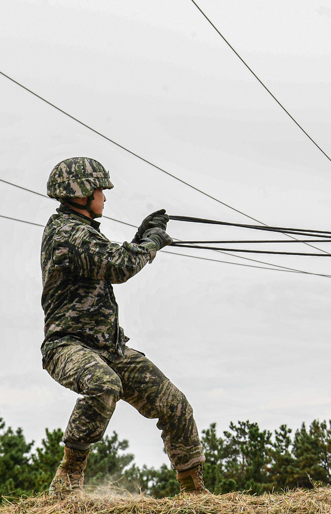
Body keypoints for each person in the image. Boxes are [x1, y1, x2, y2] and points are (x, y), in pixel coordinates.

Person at [41, 157, 209, 496]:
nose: (104, 196)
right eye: (100, 189)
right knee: (104, 385)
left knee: (174, 404)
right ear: (82, 193)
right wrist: (151, 242)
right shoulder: (67, 233)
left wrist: (142, 238)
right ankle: (69, 476)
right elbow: (118, 266)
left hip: (107, 348)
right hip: (68, 347)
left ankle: (193, 490)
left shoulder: (82, 232)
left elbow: (108, 263)